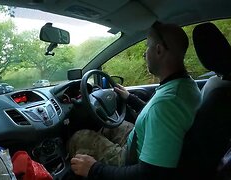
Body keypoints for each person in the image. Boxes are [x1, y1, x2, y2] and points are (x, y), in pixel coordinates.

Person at [68, 21, 202, 179]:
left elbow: (150, 174)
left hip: (131, 161)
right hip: (141, 142)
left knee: (80, 137)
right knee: (110, 126)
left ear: (158, 50)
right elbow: (155, 116)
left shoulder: (166, 103)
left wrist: (94, 169)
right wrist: (130, 98)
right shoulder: (184, 85)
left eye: (147, 47)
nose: (145, 54)